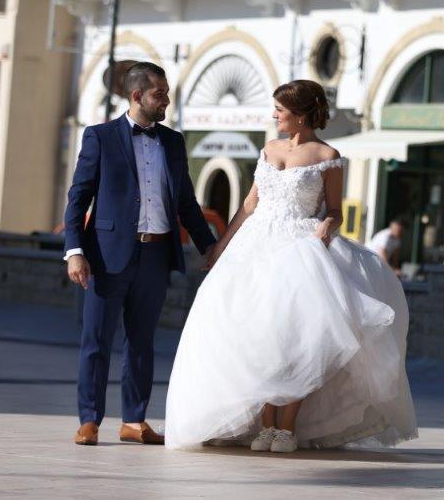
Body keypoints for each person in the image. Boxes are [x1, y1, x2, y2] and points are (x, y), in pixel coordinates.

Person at [165, 79, 416, 453]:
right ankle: (263, 425)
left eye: (280, 110)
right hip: (254, 248)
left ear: (299, 116)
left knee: (298, 339)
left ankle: (287, 427)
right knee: (256, 336)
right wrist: (221, 245)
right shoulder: (268, 149)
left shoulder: (326, 154)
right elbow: (250, 205)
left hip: (301, 247)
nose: (274, 115)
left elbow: (334, 210)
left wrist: (327, 228)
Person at [63, 62, 217, 446]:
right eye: (159, 93)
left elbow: (186, 202)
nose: (166, 100)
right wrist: (74, 251)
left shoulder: (173, 142)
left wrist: (211, 247)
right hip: (105, 255)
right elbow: (78, 197)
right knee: (96, 339)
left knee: (142, 341)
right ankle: (89, 420)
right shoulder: (100, 137)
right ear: (137, 96)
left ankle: (134, 420)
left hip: (156, 254)